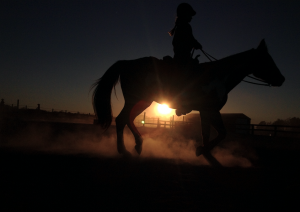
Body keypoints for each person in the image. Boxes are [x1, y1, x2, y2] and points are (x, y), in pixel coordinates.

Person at [168, 3, 203, 115]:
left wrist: (194, 43)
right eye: (189, 15)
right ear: (184, 15)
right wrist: (195, 44)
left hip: (180, 57)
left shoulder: (180, 26)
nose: (191, 17)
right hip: (183, 58)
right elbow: (189, 39)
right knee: (191, 78)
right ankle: (183, 104)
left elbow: (186, 40)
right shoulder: (185, 26)